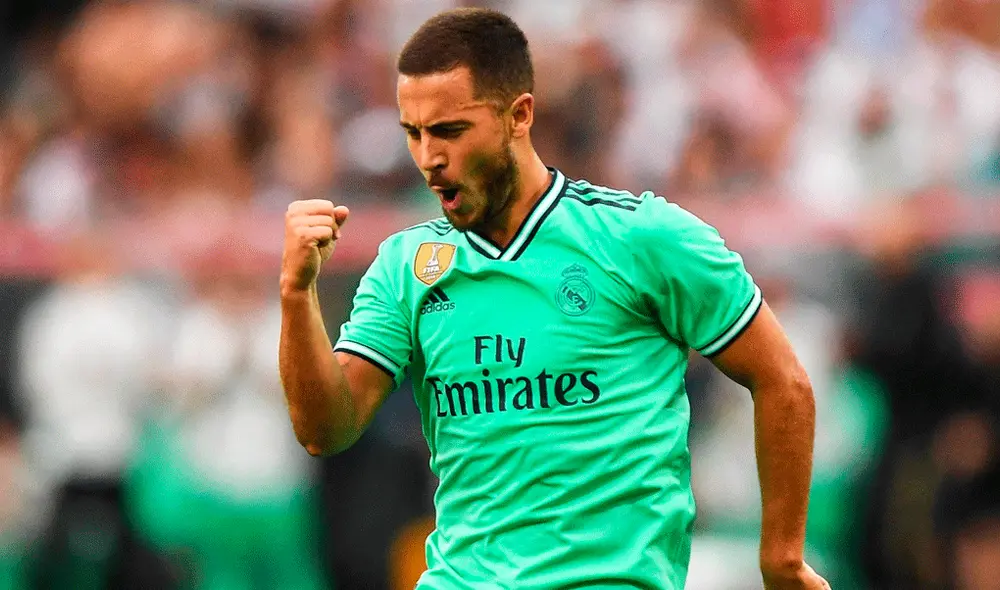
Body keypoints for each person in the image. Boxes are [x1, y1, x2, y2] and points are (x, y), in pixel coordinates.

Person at [279, 7, 828, 589]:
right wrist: (296, 296)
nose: (428, 158)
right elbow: (326, 428)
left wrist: (782, 557)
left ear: (519, 115)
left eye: (449, 131)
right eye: (413, 133)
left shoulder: (645, 240)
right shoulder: (406, 266)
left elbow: (782, 379)